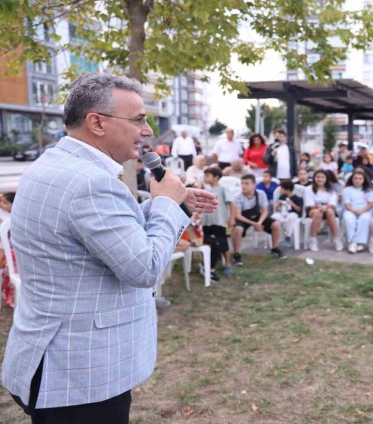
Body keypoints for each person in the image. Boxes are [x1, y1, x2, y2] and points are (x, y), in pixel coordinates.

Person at [1, 74, 218, 423]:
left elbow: (97, 229)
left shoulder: (56, 164)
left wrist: (168, 202)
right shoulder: (90, 182)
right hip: (79, 375)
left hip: (54, 361)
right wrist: (164, 204)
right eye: (138, 120)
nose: (147, 131)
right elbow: (144, 267)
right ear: (97, 123)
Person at [231, 174, 286, 263]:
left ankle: (275, 248)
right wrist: (254, 224)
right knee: (238, 229)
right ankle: (237, 254)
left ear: (254, 184)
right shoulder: (238, 197)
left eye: (246, 183)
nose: (243, 186)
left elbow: (265, 211)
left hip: (257, 216)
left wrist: (259, 223)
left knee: (276, 224)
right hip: (243, 218)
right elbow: (238, 215)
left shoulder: (261, 194)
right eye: (242, 183)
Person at [202, 167, 235, 278]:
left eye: (207, 175)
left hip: (219, 221)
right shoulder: (206, 190)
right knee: (209, 242)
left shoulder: (223, 189)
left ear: (216, 177)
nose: (205, 178)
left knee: (223, 243)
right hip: (207, 222)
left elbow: (231, 204)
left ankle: (228, 263)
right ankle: (208, 263)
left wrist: (231, 218)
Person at [305, 170, 342, 252]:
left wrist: (325, 207)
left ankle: (336, 238)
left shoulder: (331, 189)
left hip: (328, 208)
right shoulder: (308, 189)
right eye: (318, 177)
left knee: (330, 212)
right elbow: (310, 205)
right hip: (313, 209)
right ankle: (313, 240)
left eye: (322, 177)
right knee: (318, 213)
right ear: (314, 178)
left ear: (326, 179)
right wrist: (320, 207)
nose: (320, 179)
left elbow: (332, 204)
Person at [342, 171, 373, 253]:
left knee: (365, 219)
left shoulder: (368, 190)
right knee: (349, 219)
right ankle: (352, 242)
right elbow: (347, 204)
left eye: (360, 179)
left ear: (364, 180)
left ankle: (359, 243)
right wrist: (354, 210)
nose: (357, 180)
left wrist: (361, 210)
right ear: (352, 179)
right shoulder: (347, 190)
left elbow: (370, 204)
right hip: (350, 210)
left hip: (365, 210)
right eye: (355, 178)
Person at [270, 179, 303, 245]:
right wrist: (278, 204)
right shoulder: (282, 196)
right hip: (282, 213)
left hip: (293, 214)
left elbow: (299, 210)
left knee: (290, 218)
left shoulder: (297, 198)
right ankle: (274, 236)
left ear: (287, 190)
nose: (280, 190)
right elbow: (275, 207)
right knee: (274, 217)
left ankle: (288, 236)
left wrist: (292, 204)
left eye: (281, 189)